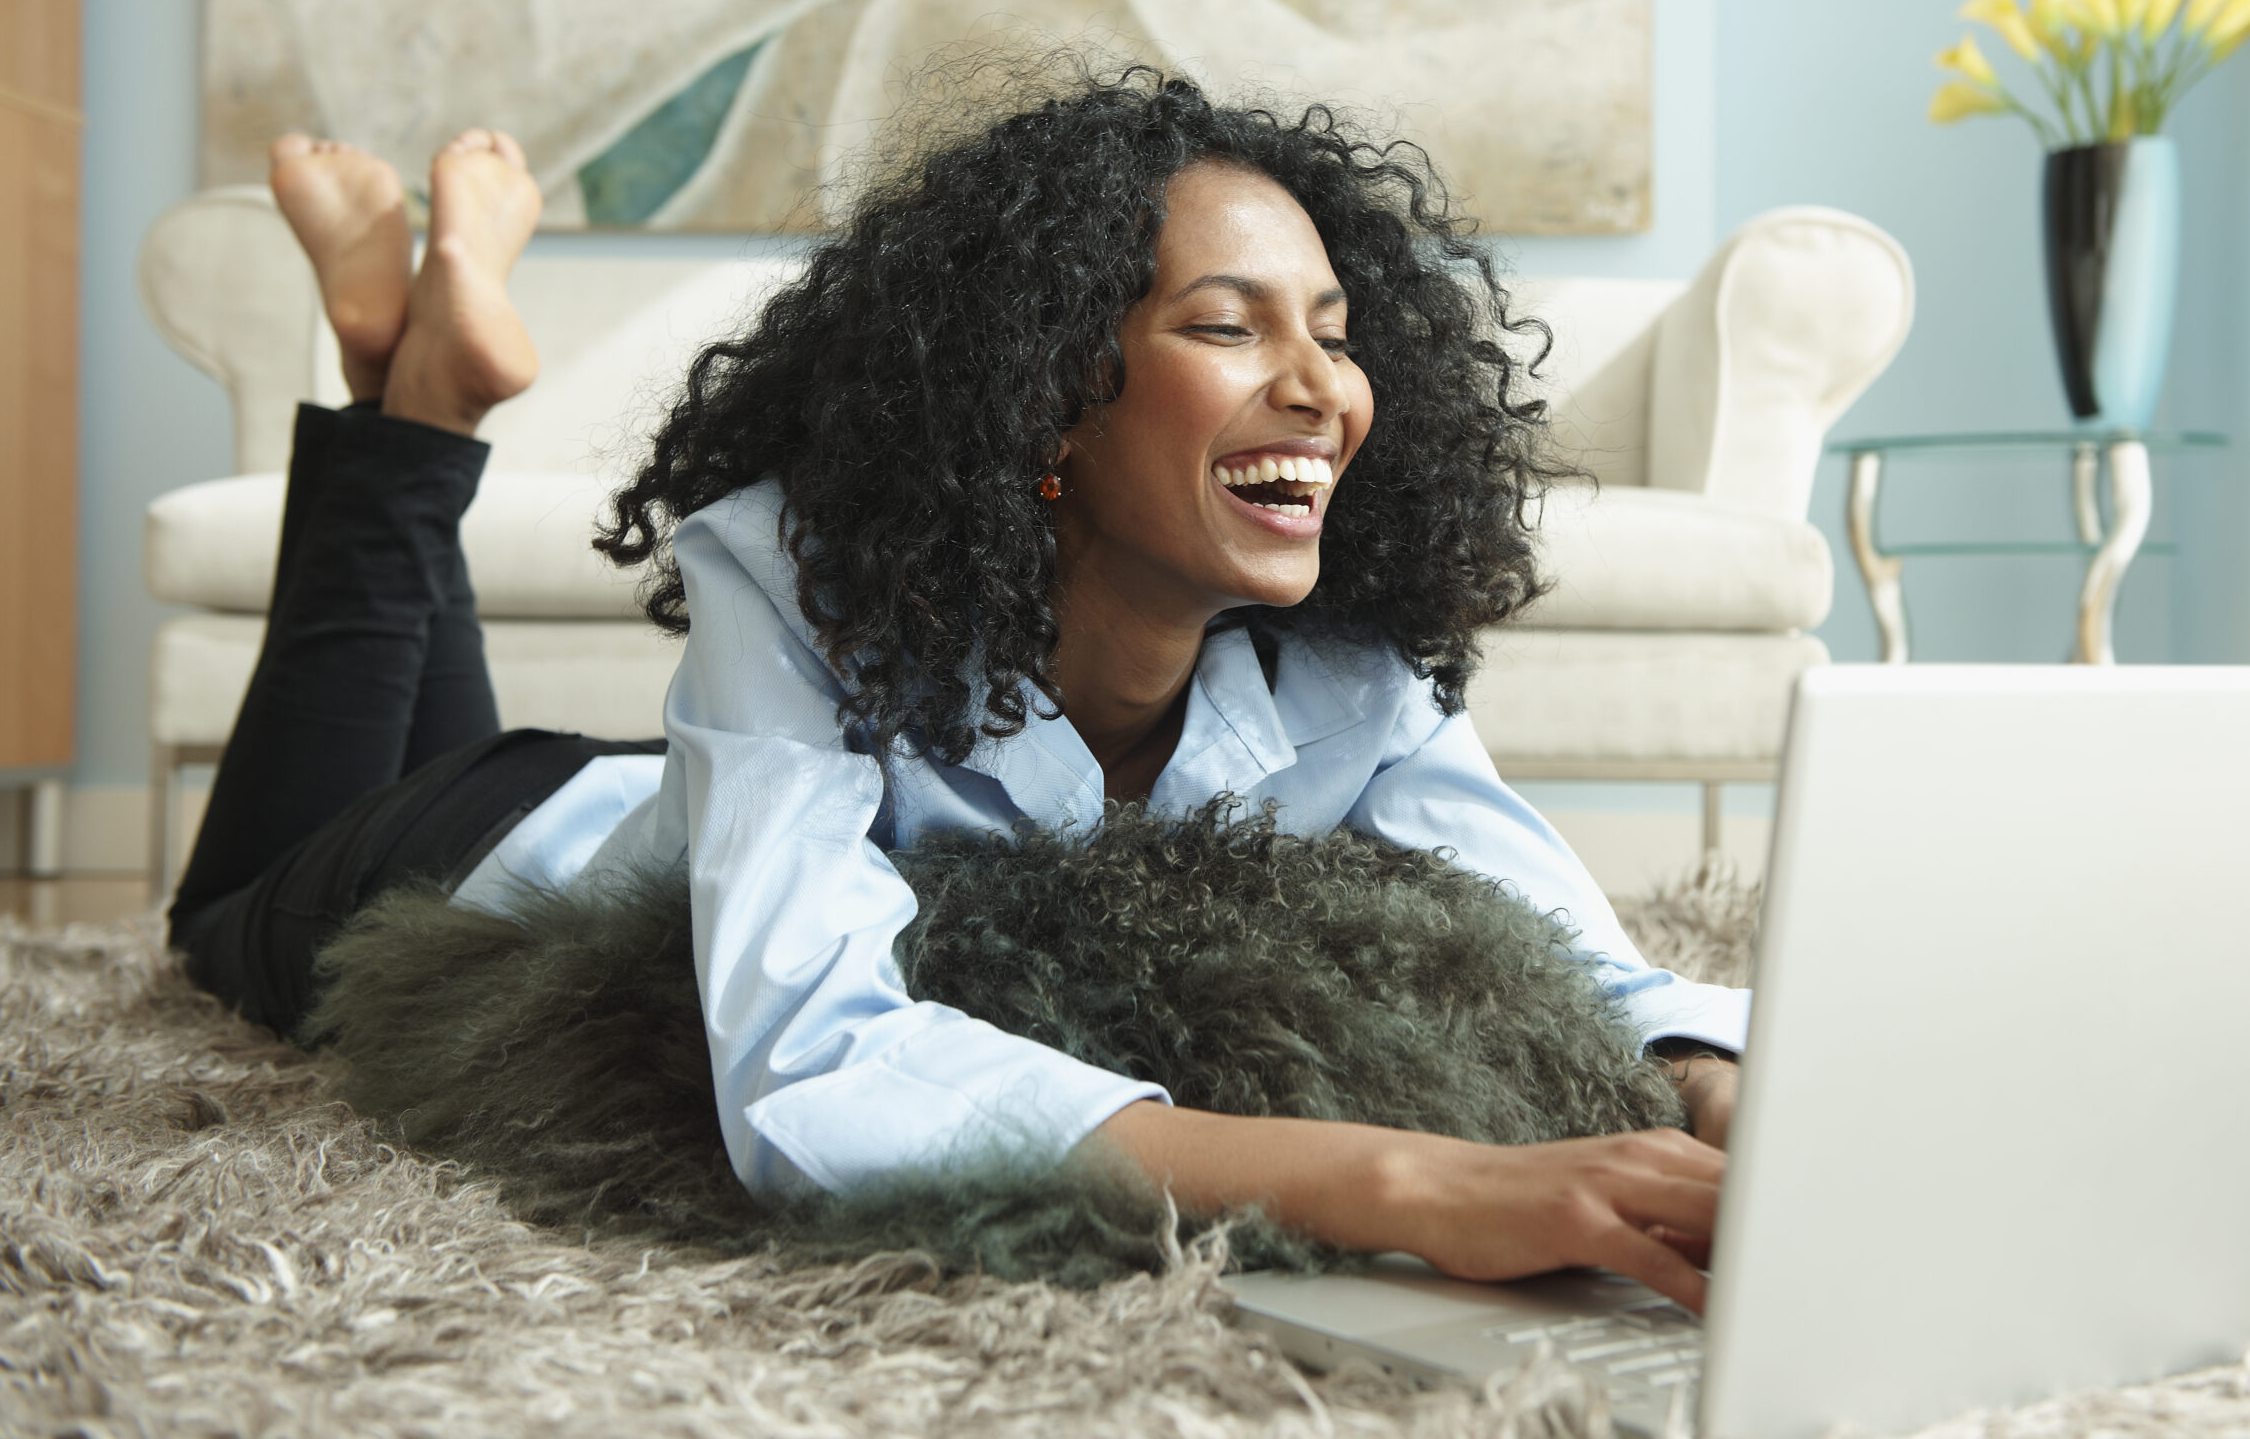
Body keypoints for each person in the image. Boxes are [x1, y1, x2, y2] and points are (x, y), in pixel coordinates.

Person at [170, 72, 1748, 1311]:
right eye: (1227, 325)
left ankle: (408, 376)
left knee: (413, 666)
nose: (1321, 388)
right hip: (496, 850)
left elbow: (1580, 957)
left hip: (657, 793)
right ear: (1048, 394)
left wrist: (1726, 1092)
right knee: (222, 908)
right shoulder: (798, 572)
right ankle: (418, 399)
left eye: (1333, 338)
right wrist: (1407, 1186)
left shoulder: (1350, 650)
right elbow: (813, 1070)